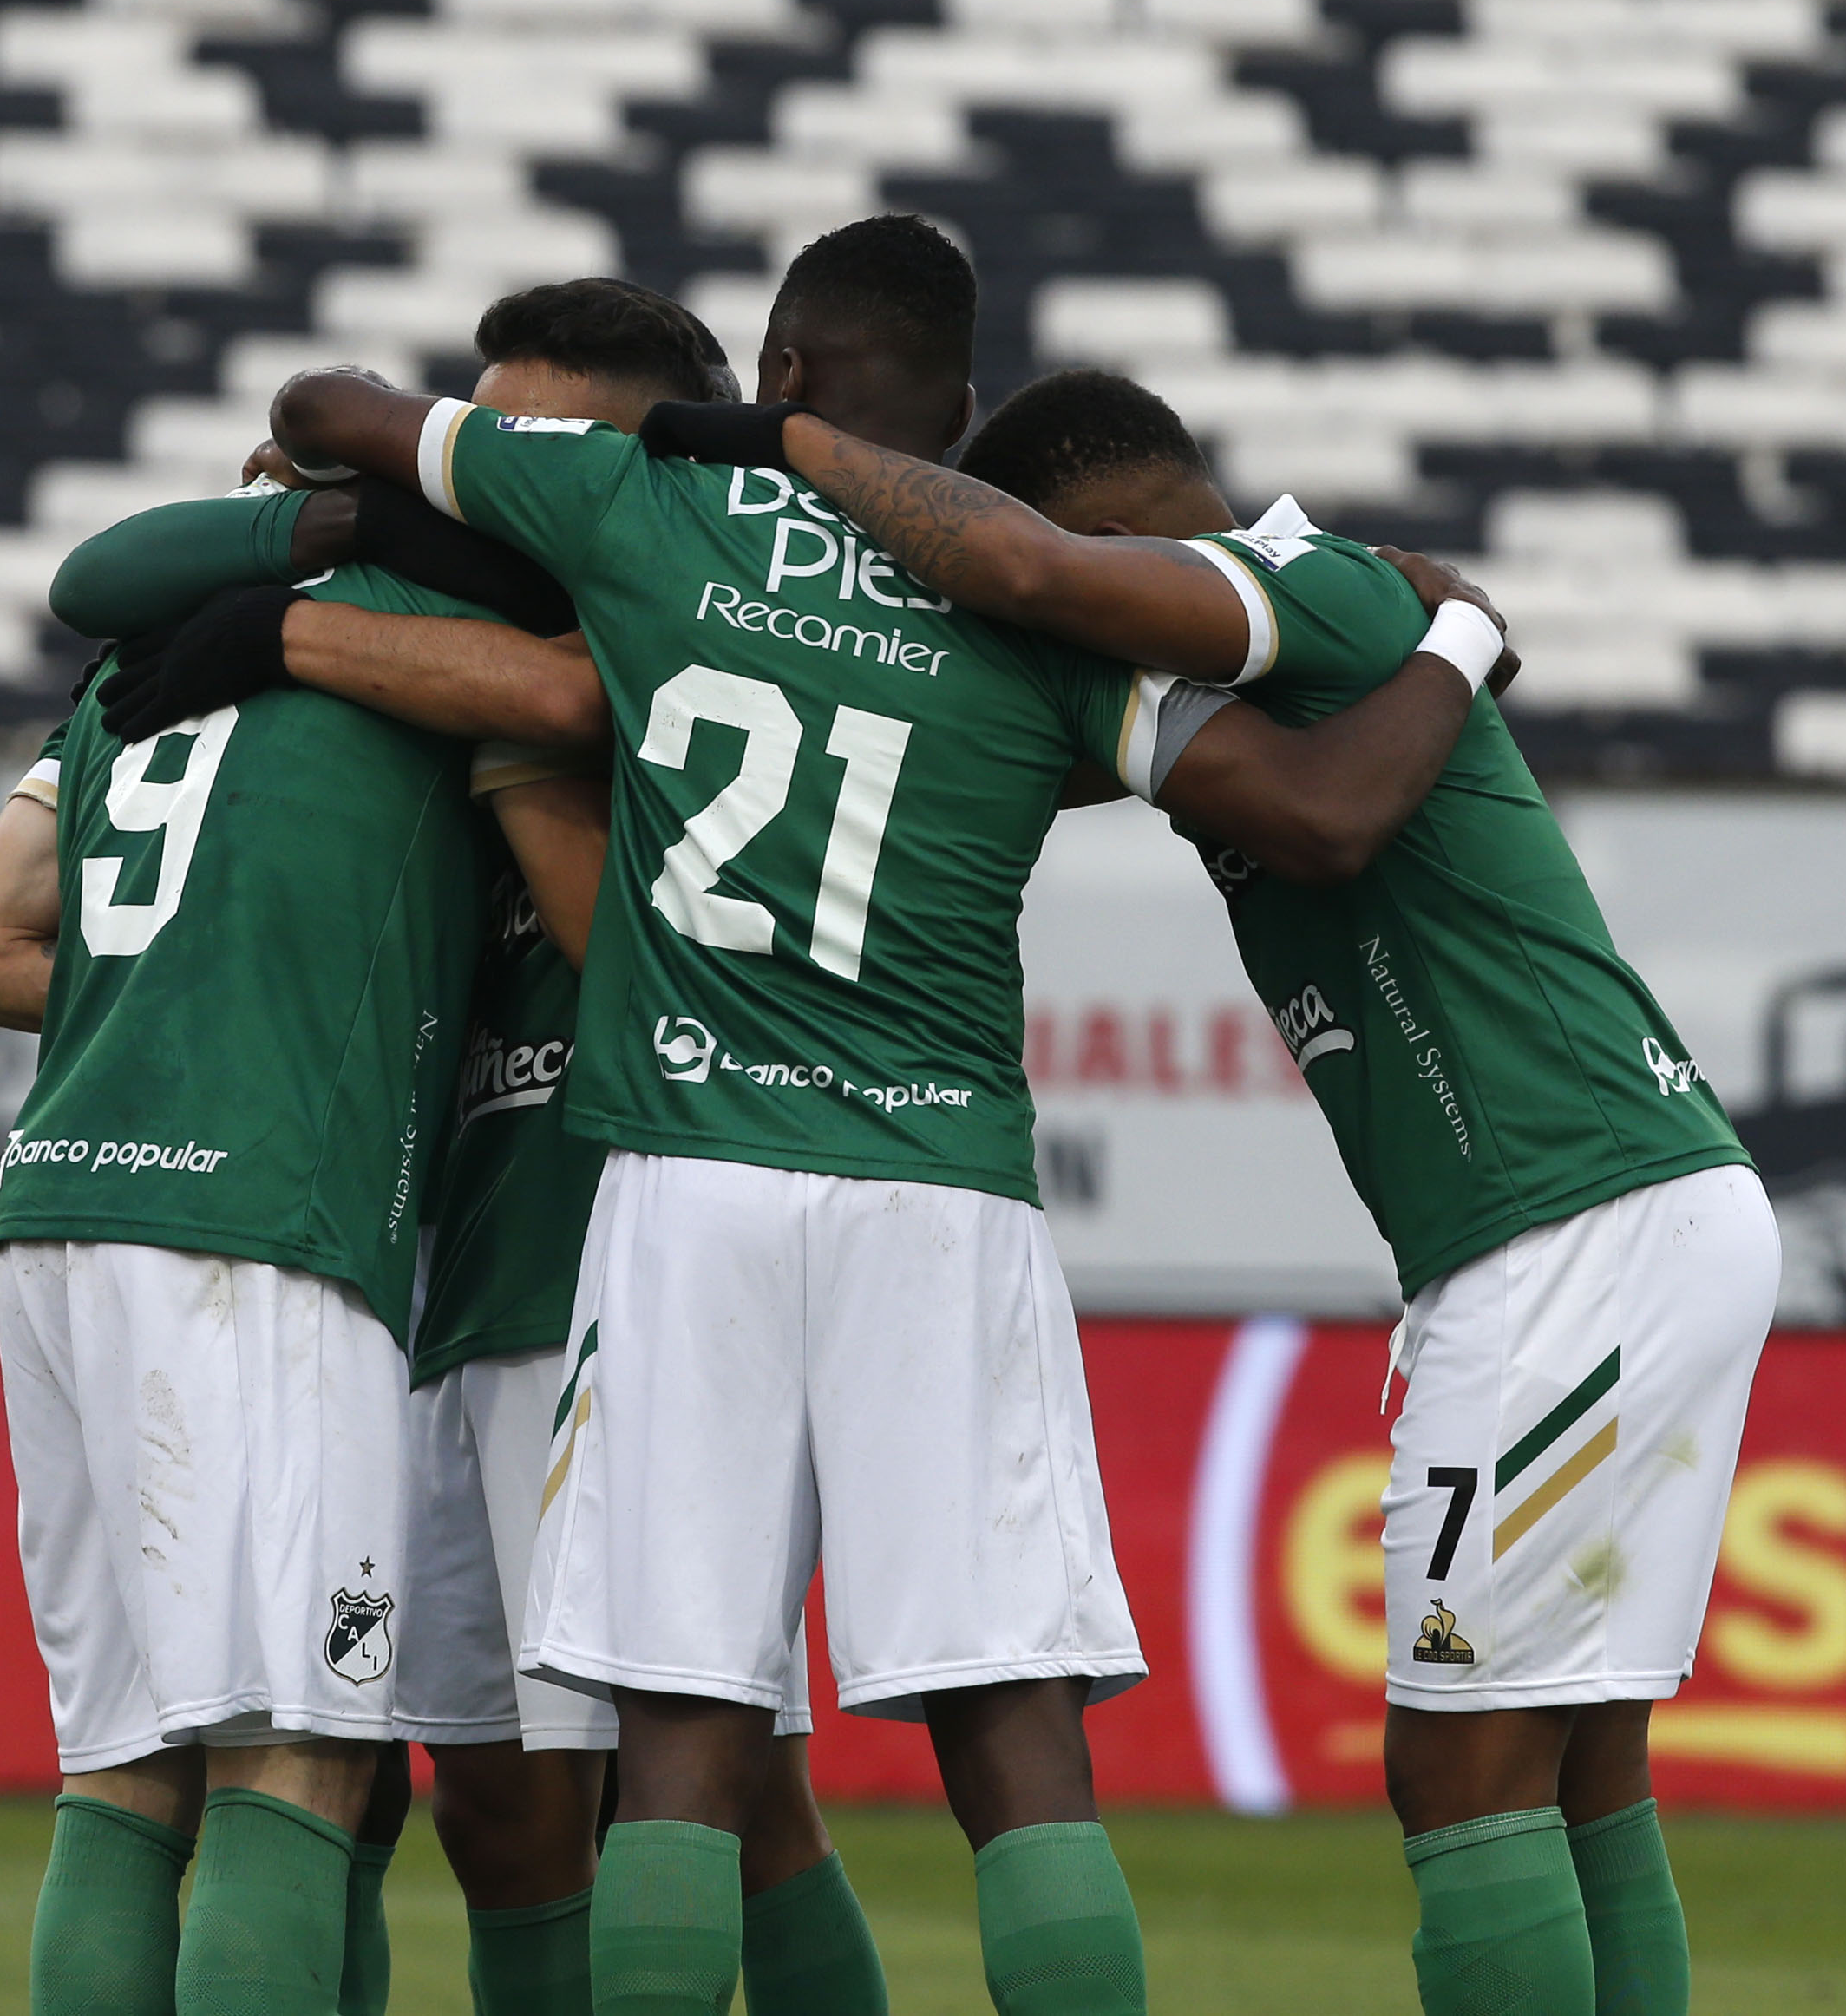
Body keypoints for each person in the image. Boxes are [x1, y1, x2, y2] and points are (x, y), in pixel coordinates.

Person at [257, 215, 1527, 2016]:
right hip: (938, 1191)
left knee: (681, 1740)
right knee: (1015, 1743)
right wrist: (1445, 634)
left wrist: (328, 489)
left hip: (685, 1179)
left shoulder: (641, 510)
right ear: (956, 414)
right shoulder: (1034, 608)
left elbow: (341, 403)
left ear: (775, 374)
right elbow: (1310, 801)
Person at [671, 365, 1768, 2016]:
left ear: (1112, 522)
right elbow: (986, 743)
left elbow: (1047, 598)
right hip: (1628, 1208)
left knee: (1456, 1772)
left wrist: (792, 449)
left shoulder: (1304, 588)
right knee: (1579, 1758)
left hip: (1572, 1224)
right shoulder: (1314, 648)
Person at [38, 280, 896, 2016]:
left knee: (716, 1779)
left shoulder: (674, 622)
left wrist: (301, 633)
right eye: (480, 435)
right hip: (424, 1264)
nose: (497, 472)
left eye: (541, 446)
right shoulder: (414, 631)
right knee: (467, 1793)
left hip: (625, 1252)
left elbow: (573, 731)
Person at [0, 323, 625, 2016]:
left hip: (61, 1209)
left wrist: (215, 988)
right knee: (301, 1758)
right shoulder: (444, 637)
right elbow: (582, 845)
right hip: (260, 1232)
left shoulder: (125, 668)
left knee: (122, 1774)